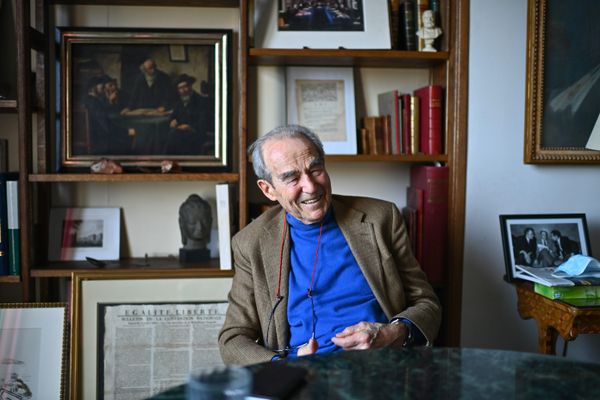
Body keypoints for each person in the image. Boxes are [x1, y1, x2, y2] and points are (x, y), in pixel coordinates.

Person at [218, 125, 441, 365]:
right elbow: (232, 339)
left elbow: (427, 304)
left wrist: (391, 334)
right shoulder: (250, 243)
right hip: (299, 379)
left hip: (380, 370)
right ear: (268, 189)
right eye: (292, 178)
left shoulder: (381, 218)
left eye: (315, 169)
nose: (311, 186)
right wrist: (280, 366)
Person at [165, 74, 210, 155]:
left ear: (190, 86)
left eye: (185, 86)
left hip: (196, 133)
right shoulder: (178, 102)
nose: (184, 90)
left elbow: (204, 123)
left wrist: (190, 127)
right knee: (169, 134)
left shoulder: (201, 101)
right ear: (178, 90)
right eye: (180, 88)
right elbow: (173, 116)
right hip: (180, 131)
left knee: (173, 136)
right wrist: (172, 120)